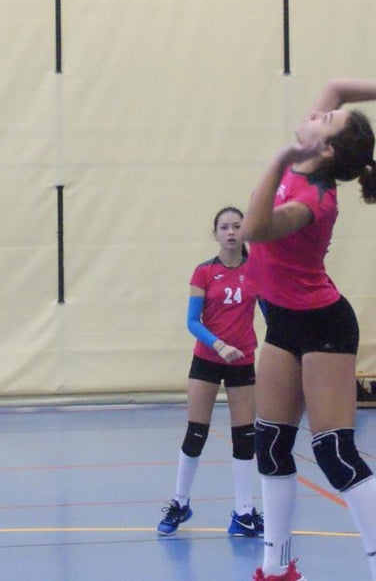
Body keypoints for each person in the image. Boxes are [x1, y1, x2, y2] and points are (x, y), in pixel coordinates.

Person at [241, 79, 376, 581]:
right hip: (282, 323)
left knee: (333, 450)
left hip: (324, 326)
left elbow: (253, 228)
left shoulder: (315, 201)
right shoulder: (312, 154)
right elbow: (337, 86)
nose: (316, 114)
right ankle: (276, 566)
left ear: (325, 148)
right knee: (269, 443)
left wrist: (276, 159)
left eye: (325, 121)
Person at [157, 207, 263, 538]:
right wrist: (219, 346)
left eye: (236, 226)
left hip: (243, 360)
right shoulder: (204, 272)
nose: (231, 232)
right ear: (215, 233)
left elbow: (273, 313)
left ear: (245, 232)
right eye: (224, 227)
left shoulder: (258, 271)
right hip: (207, 359)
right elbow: (192, 321)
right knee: (196, 433)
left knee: (245, 436)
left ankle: (243, 512)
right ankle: (180, 502)